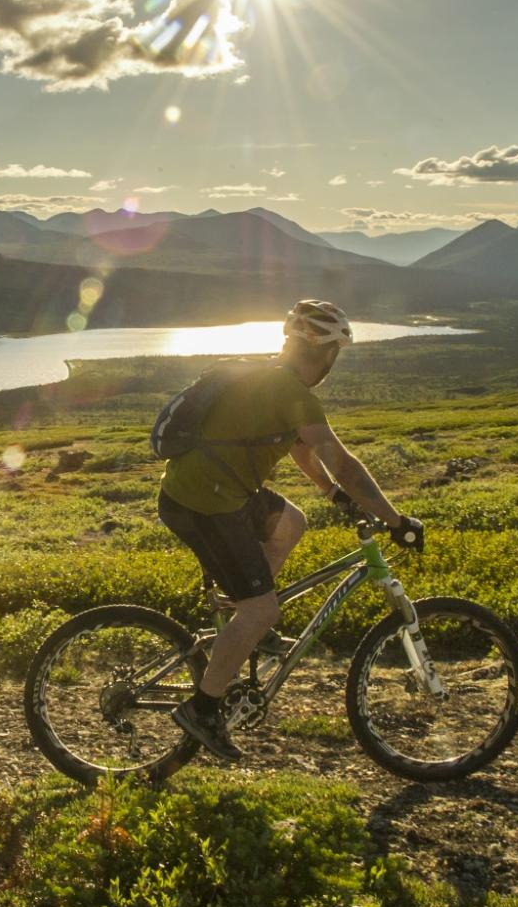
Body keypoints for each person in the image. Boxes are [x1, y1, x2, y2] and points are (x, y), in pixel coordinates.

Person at [158, 299, 424, 760]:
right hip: (203, 502)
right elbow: (340, 459)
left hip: (220, 491)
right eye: (334, 352)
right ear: (323, 353)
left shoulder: (273, 380)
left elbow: (302, 449)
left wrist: (330, 493)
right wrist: (394, 520)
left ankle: (245, 622)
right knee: (261, 608)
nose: (333, 362)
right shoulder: (293, 392)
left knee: (290, 523)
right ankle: (204, 708)